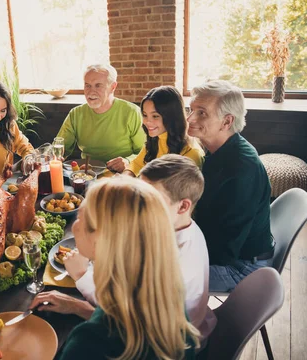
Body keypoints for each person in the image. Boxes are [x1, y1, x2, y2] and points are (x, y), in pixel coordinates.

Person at [31, 177, 199, 359]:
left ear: (100, 240)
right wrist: (79, 307)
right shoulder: (166, 294)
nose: (75, 225)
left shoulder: (89, 343)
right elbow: (127, 324)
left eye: (80, 218)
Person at [187, 80, 274, 292]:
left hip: (242, 267)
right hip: (230, 252)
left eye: (202, 113)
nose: (190, 118)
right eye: (190, 110)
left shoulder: (240, 169)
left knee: (150, 277)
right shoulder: (218, 149)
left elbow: (222, 252)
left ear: (227, 122)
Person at [139, 154, 217, 349]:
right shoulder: (182, 225)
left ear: (183, 206)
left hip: (169, 345)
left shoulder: (176, 258)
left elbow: (136, 323)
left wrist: (82, 279)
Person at [56, 64, 144, 172]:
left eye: (98, 85)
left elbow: (146, 151)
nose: (91, 91)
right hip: (86, 174)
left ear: (113, 87)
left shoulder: (132, 112)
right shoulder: (76, 114)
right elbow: (60, 148)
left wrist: (127, 161)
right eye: (87, 85)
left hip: (122, 174)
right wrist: (54, 157)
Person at [122, 86, 204, 177]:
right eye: (145, 115)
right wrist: (124, 178)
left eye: (155, 116)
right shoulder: (155, 139)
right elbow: (136, 165)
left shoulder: (191, 153)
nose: (147, 121)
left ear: (172, 116)